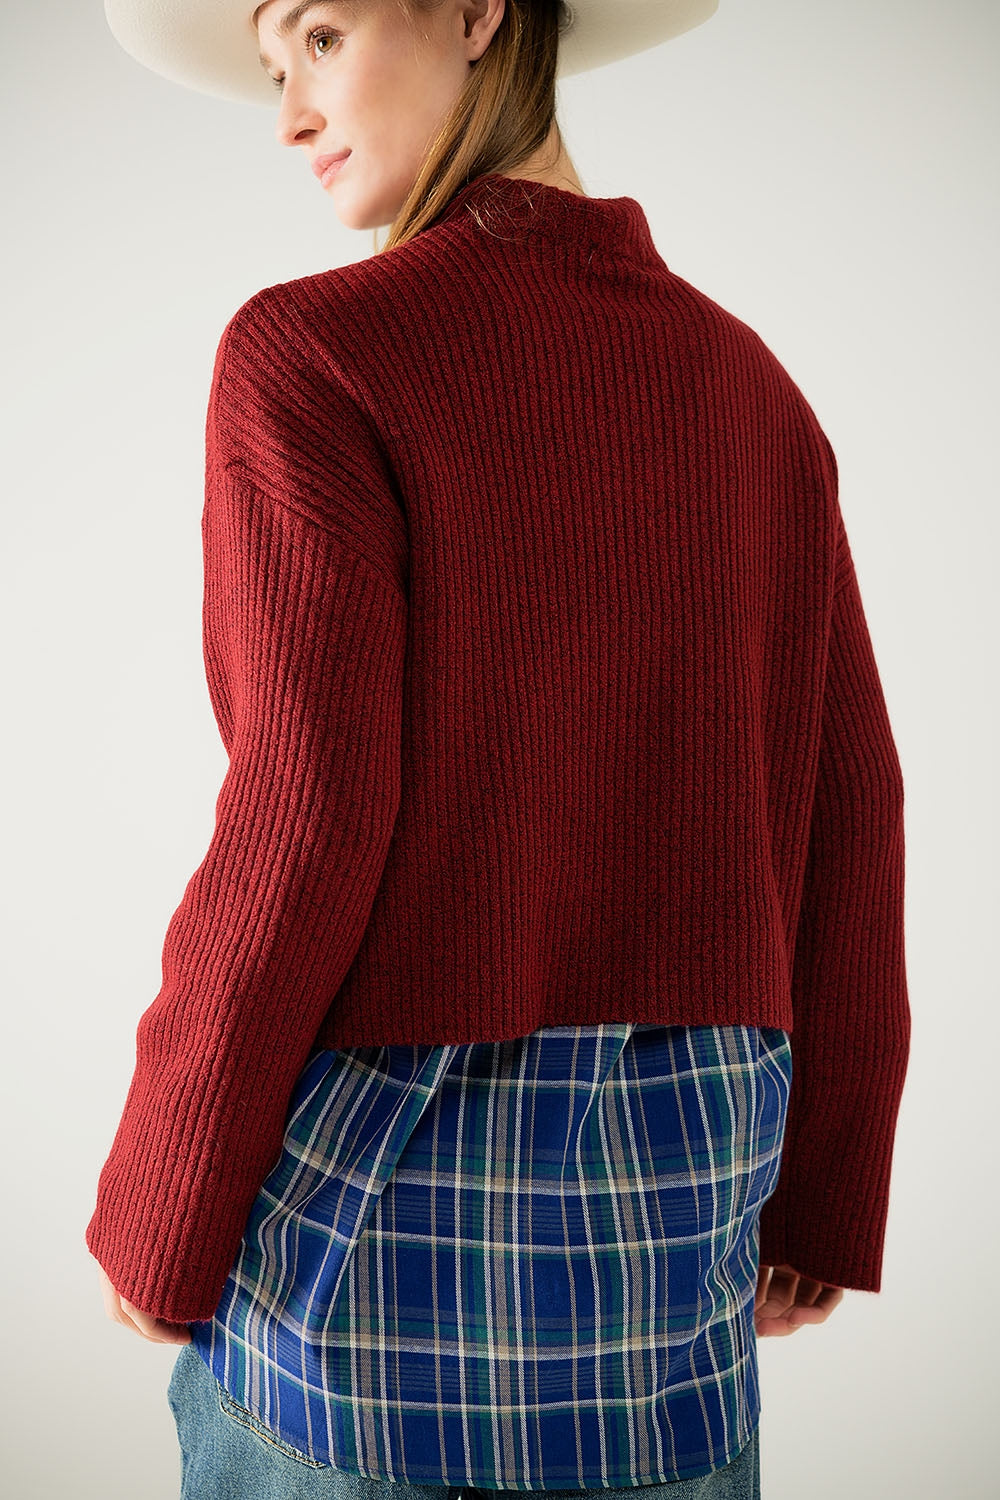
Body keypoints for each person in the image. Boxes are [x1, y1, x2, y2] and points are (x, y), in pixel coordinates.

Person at [89, 0, 911, 1495]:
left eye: (318, 39)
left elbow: (304, 810)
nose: (288, 117)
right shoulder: (751, 388)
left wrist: (166, 1202)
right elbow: (852, 803)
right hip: (674, 1242)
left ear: (476, 10)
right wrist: (826, 1190)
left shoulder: (312, 356)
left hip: (378, 1246)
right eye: (274, 72)